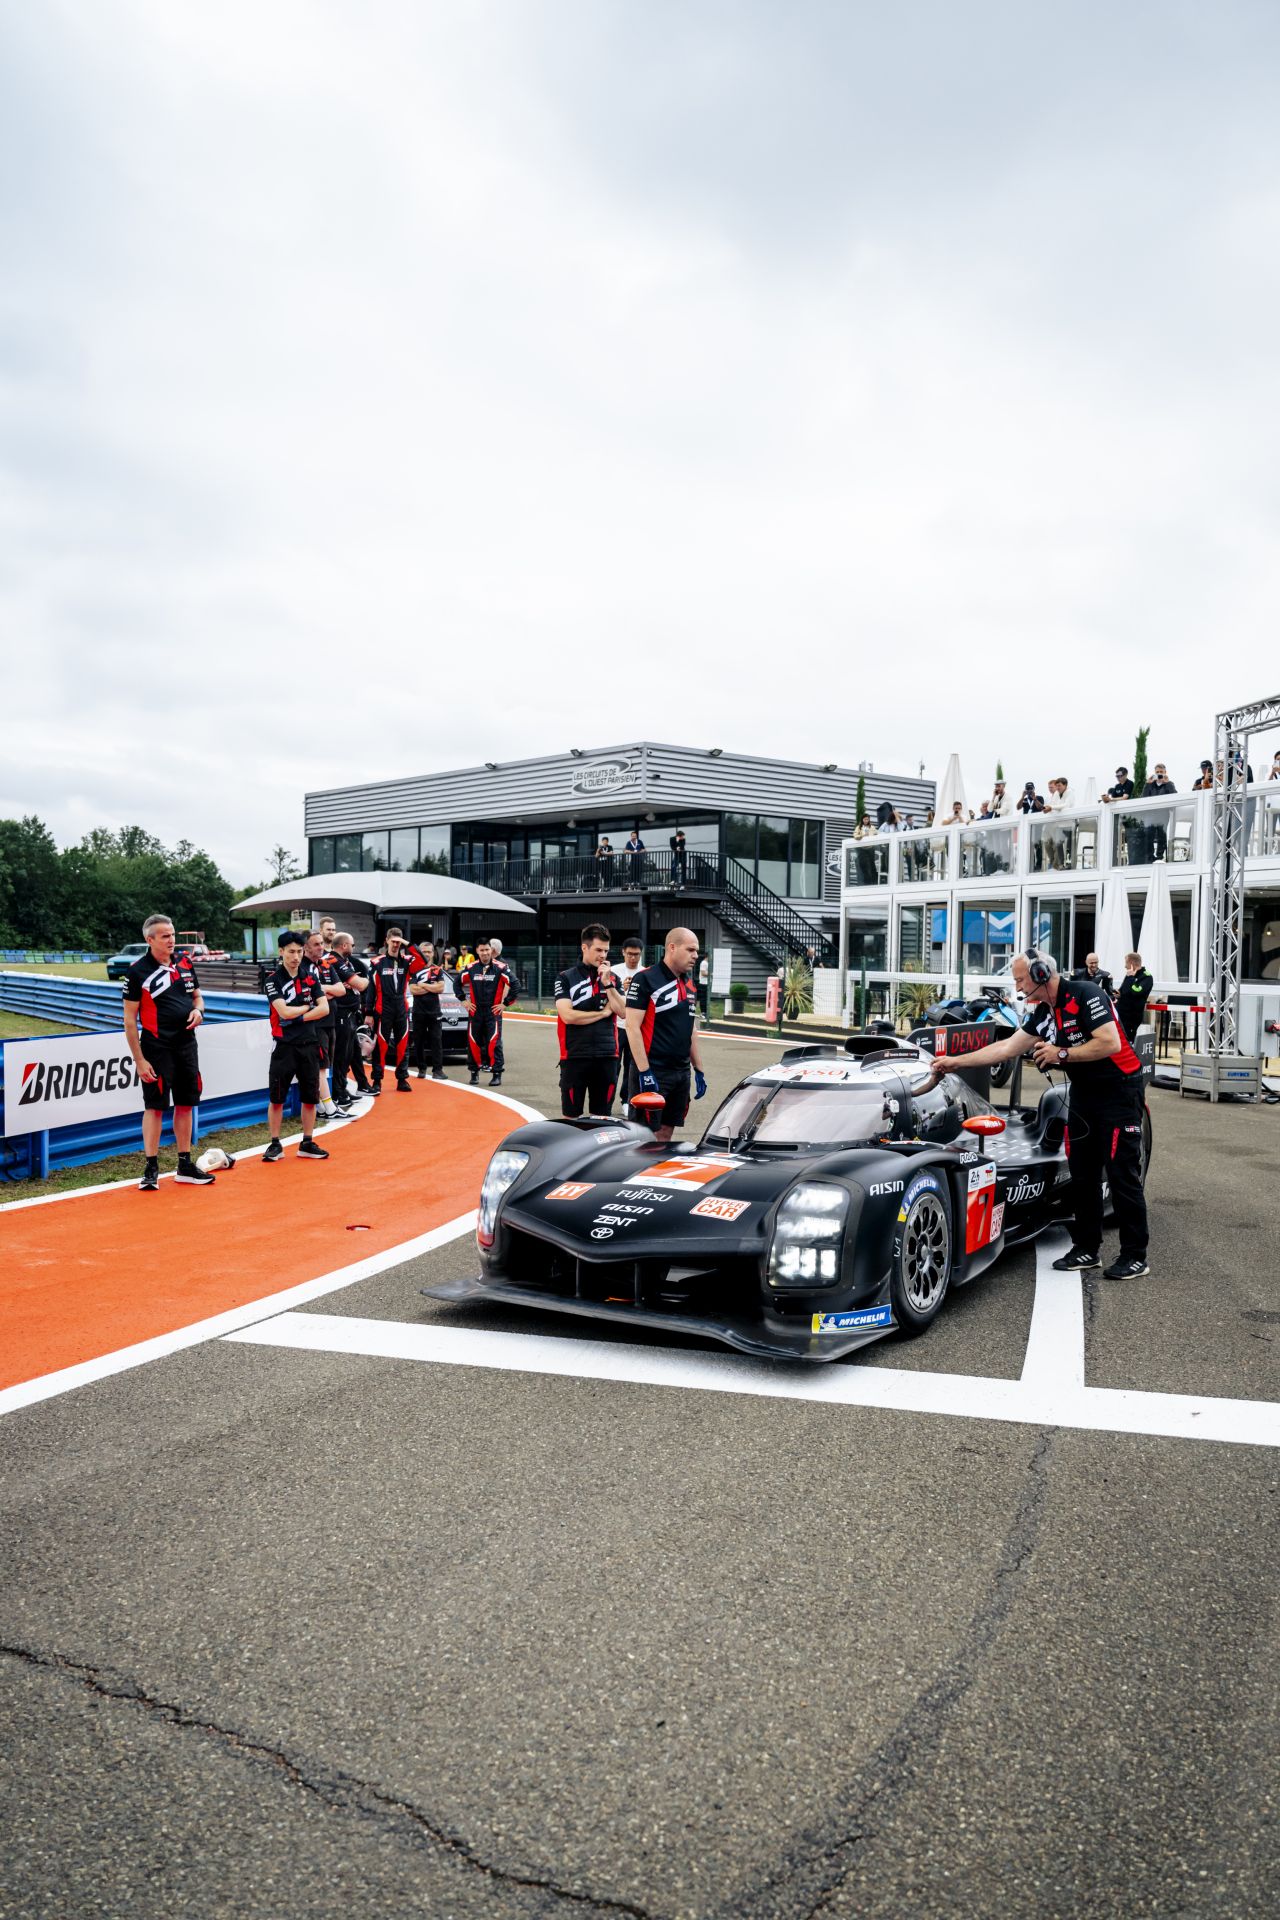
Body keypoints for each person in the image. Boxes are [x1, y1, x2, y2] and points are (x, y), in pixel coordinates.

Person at [924, 949, 1149, 1280]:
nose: (1017, 987)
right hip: (1084, 1094)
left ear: (1041, 973)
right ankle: (1087, 1249)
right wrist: (953, 1062)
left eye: (1020, 979)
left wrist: (1061, 1054)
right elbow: (1006, 1048)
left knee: (1121, 1173)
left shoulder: (1086, 994)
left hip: (1119, 1092)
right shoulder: (1045, 1012)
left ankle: (1135, 1256)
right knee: (1082, 1174)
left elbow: (1110, 1043)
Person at [123, 913, 214, 1191]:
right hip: (156, 1047)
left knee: (186, 1103)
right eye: (165, 936)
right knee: (154, 1107)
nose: (171, 940)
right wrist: (139, 1060)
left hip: (187, 1045)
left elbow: (197, 996)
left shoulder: (185, 962)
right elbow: (129, 1020)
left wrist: (199, 1011)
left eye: (172, 934)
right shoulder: (137, 971)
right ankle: (151, 1167)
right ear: (150, 940)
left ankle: (184, 1165)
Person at [623, 925, 707, 1144]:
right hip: (653, 1070)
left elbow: (691, 1029)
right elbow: (632, 1027)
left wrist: (698, 1069)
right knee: (643, 1137)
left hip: (680, 1072)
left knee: (666, 1134)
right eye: (690, 950)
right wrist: (644, 1072)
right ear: (672, 947)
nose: (695, 956)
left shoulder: (690, 984)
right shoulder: (645, 979)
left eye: (697, 951)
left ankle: (659, 1167)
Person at [263, 930, 331, 1162]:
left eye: (300, 951)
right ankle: (275, 1143)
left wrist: (299, 1016)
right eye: (291, 951)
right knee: (277, 1098)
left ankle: (307, 1142)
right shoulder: (273, 980)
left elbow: (324, 1008)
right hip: (283, 1046)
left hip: (309, 1044)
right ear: (281, 951)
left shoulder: (310, 978)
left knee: (310, 1097)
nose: (296, 956)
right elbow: (283, 1012)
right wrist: (307, 1007)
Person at [554, 923, 627, 1117]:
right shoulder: (565, 978)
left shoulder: (614, 979)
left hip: (608, 1056)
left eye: (606, 951)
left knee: (602, 1119)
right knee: (571, 1119)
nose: (603, 955)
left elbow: (623, 1012)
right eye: (598, 950)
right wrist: (603, 1014)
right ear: (584, 947)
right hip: (574, 1056)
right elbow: (568, 1016)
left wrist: (607, 983)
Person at [460, 938, 517, 1085]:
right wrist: (463, 1000)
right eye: (482, 950)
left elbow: (515, 984)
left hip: (493, 1012)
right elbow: (456, 983)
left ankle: (497, 1074)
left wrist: (505, 1003)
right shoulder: (471, 968)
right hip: (475, 1012)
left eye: (487, 949)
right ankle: (474, 1073)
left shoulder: (501, 967)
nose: (485, 953)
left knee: (494, 1043)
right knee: (473, 1042)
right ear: (477, 951)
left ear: (491, 950)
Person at [365, 926, 414, 1094]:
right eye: (393, 941)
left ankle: (402, 1079)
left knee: (403, 1044)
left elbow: (422, 961)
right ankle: (377, 1080)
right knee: (381, 1045)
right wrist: (368, 1013)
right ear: (386, 941)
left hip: (401, 1006)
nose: (395, 944)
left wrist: (407, 943)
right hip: (383, 1007)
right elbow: (371, 989)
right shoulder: (377, 963)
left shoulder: (407, 961)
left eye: (398, 942)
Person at [304, 928, 344, 1120]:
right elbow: (310, 996)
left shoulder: (326, 964)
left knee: (325, 1066)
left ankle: (321, 1106)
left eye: (321, 943)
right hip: (315, 1025)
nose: (321, 947)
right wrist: (325, 993)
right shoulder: (302, 967)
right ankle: (329, 1108)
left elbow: (341, 990)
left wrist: (322, 989)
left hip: (330, 1022)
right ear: (306, 947)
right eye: (316, 944)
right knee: (319, 1067)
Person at [328, 931, 369, 1107]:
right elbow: (360, 984)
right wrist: (365, 980)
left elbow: (354, 984)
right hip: (341, 1014)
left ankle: (342, 1089)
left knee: (347, 1055)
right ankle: (338, 1092)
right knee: (340, 1055)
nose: (353, 948)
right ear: (344, 945)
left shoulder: (344, 961)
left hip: (349, 1014)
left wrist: (355, 983)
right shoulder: (334, 960)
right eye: (352, 945)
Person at [408, 940, 448, 1080]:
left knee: (436, 1041)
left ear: (433, 953)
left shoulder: (437, 969)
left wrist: (423, 985)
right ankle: (422, 1068)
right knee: (418, 1041)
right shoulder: (414, 969)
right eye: (423, 952)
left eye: (429, 952)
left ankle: (438, 1070)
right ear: (419, 953)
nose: (426, 954)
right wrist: (432, 987)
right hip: (418, 1011)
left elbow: (440, 988)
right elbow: (413, 990)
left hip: (434, 1012)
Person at [1115, 951, 1154, 1042]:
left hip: (1132, 1017)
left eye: (1126, 963)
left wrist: (1130, 978)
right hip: (1121, 1014)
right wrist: (1118, 993)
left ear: (1132, 963)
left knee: (1128, 1041)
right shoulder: (1129, 975)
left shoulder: (1146, 977)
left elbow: (1137, 992)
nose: (1125, 966)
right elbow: (1123, 990)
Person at [1141, 763, 1176, 861]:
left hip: (1163, 813)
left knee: (1162, 835)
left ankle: (1160, 857)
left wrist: (1167, 783)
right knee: (1148, 834)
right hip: (1151, 814)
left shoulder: (1169, 784)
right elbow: (1143, 797)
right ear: (1154, 773)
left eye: (1161, 772)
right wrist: (1147, 784)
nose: (1159, 774)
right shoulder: (1150, 784)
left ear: (1165, 772)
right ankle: (1150, 857)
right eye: (1157, 772)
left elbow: (1174, 795)